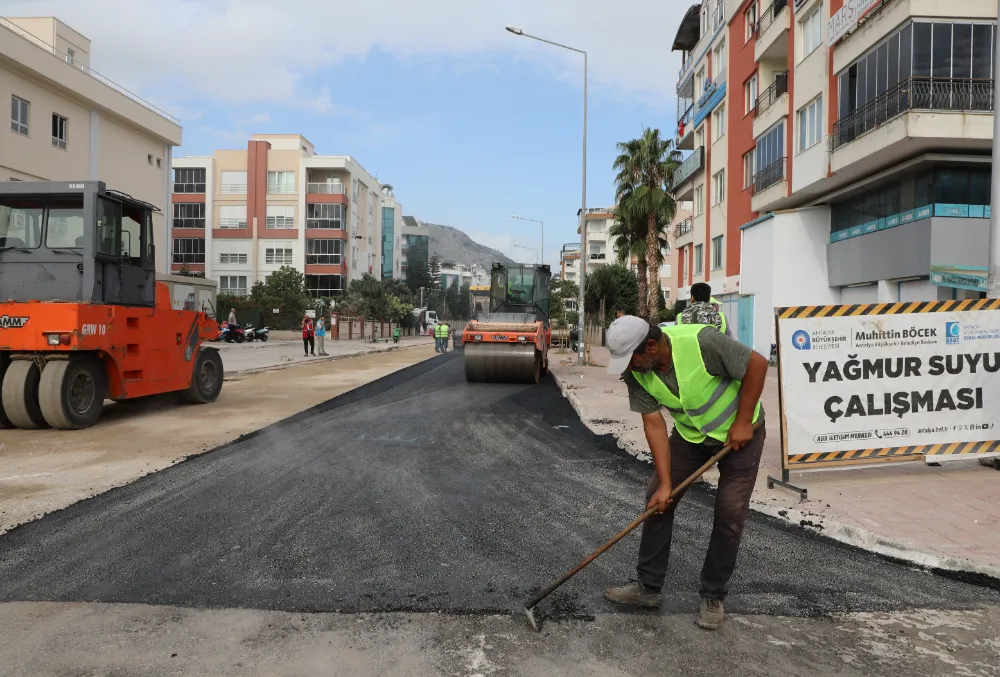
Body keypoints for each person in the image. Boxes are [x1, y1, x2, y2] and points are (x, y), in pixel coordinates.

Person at [602, 315, 768, 631]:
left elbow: (757, 365)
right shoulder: (637, 373)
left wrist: (743, 421)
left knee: (730, 510)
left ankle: (713, 595)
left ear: (650, 347)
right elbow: (653, 423)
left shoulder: (701, 341)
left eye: (631, 360)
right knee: (657, 499)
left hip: (741, 434)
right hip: (691, 437)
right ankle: (649, 588)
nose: (628, 368)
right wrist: (666, 484)